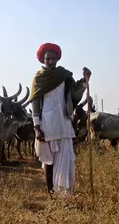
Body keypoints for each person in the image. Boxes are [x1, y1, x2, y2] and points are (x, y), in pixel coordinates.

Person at [29, 42, 92, 199]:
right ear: (43, 60)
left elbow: (75, 95)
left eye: (52, 58)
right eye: (47, 58)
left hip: (64, 123)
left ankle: (65, 195)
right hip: (47, 125)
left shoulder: (64, 75)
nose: (50, 61)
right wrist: (37, 126)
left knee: (67, 159)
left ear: (57, 59)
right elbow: (35, 103)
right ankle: (51, 194)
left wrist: (85, 81)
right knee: (48, 162)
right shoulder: (38, 79)